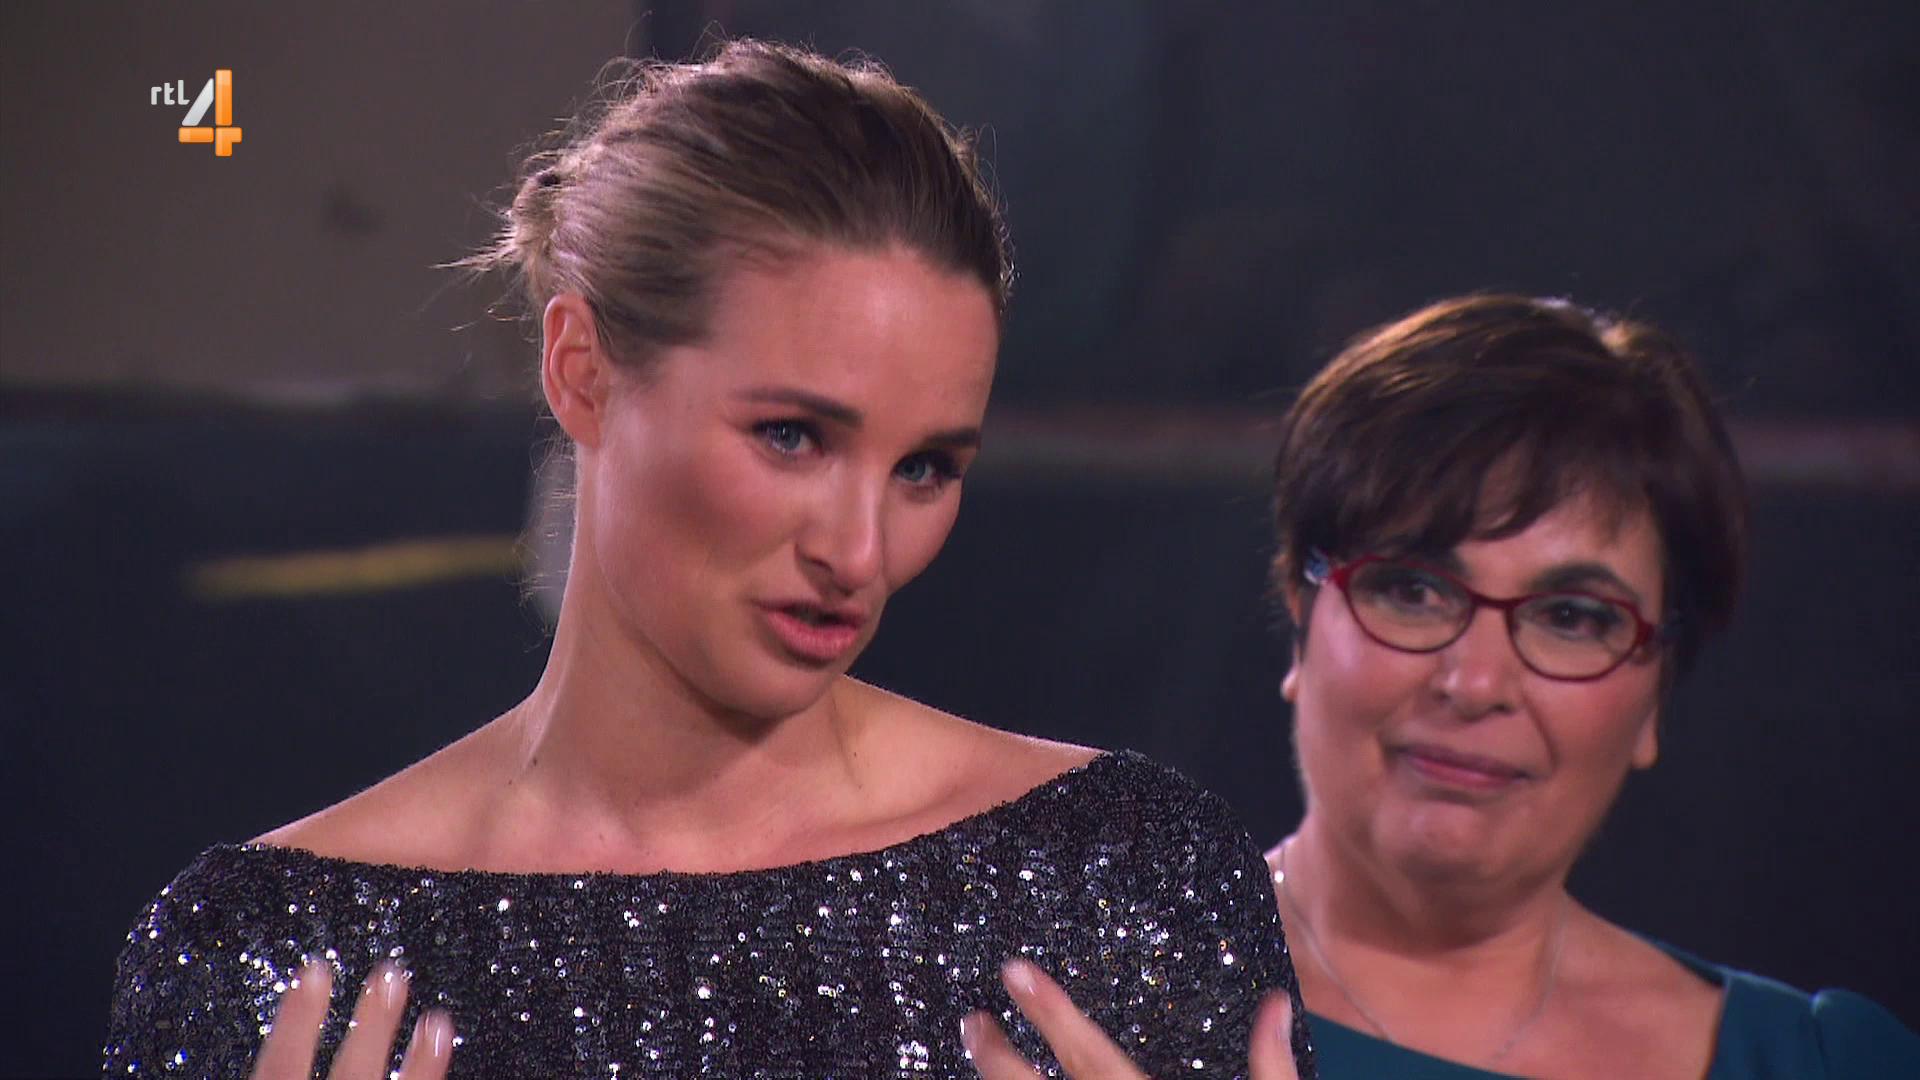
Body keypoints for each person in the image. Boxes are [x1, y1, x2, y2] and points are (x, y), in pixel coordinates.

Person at [101, 41, 1313, 1078]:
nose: (858, 551)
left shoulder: (1119, 883)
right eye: (792, 436)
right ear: (581, 371)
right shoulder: (274, 956)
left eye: (925, 468)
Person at [1260, 294, 1919, 1078]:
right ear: (1301, 616)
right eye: (1412, 591)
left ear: (1656, 697)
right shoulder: (1121, 993)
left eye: (1571, 618)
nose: (1475, 683)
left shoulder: (1818, 1064)